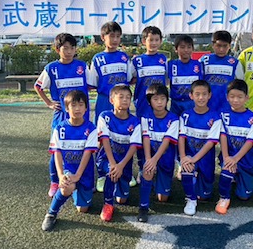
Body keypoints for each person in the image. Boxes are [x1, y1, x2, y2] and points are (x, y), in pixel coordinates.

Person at [35, 33, 89, 198]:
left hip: (81, 118)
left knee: (83, 149)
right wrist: (49, 103)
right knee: (56, 149)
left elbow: (92, 84)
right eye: (65, 48)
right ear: (57, 49)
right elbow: (38, 86)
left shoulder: (82, 66)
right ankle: (55, 181)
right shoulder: (51, 68)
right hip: (61, 117)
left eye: (72, 48)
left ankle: (82, 181)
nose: (69, 51)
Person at [41, 90, 98, 232]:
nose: (77, 108)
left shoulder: (91, 128)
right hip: (69, 170)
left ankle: (77, 190)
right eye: (73, 105)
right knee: (66, 186)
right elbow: (57, 154)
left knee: (83, 209)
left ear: (86, 108)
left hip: (84, 173)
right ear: (66, 108)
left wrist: (78, 175)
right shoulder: (60, 128)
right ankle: (51, 213)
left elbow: (87, 154)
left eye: (81, 105)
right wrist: (61, 175)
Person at [96, 84, 142, 222]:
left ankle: (118, 187)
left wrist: (121, 165)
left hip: (124, 163)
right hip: (106, 159)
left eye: (128, 97)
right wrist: (113, 164)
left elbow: (134, 147)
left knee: (122, 200)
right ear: (112, 100)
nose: (125, 100)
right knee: (111, 172)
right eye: (121, 97)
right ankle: (108, 204)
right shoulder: (105, 116)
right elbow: (104, 140)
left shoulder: (135, 121)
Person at [215, 79, 253, 215]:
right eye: (232, 96)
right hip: (228, 156)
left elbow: (250, 142)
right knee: (227, 169)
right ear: (227, 97)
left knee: (244, 196)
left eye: (240, 97)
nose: (235, 100)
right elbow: (222, 135)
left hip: (245, 159)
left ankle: (245, 177)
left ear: (247, 98)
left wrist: (236, 159)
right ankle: (224, 198)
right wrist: (227, 157)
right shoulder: (223, 114)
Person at [178, 79, 222, 216]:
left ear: (210, 95)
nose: (201, 97)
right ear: (191, 96)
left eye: (204, 94)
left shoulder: (215, 117)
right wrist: (183, 158)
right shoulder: (185, 115)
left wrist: (194, 159)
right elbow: (181, 138)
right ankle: (190, 199)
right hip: (190, 156)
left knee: (205, 196)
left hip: (205, 158)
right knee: (186, 170)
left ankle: (199, 185)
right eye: (197, 94)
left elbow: (210, 143)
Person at [139, 84, 179, 222]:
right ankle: (143, 207)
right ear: (149, 101)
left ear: (167, 100)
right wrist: (148, 159)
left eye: (163, 98)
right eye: (155, 99)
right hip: (151, 156)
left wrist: (154, 160)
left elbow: (167, 141)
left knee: (162, 198)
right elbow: (146, 138)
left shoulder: (174, 119)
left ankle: (157, 182)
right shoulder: (145, 117)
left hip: (165, 159)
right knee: (148, 170)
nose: (160, 102)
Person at [87, 21, 133, 123]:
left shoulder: (124, 57)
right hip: (104, 100)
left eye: (118, 36)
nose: (115, 40)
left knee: (123, 127)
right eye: (112, 36)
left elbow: (129, 78)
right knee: (102, 127)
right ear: (103, 37)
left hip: (122, 101)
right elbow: (93, 83)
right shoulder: (98, 59)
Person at [199, 30, 244, 113]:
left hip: (227, 107)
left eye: (225, 46)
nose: (221, 49)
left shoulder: (235, 63)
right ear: (213, 45)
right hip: (206, 106)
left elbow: (240, 85)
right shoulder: (204, 60)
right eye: (218, 45)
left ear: (229, 46)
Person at [131, 26, 168, 118]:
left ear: (161, 41)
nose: (154, 43)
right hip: (142, 102)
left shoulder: (163, 59)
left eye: (156, 40)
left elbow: (167, 79)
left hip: (160, 103)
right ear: (144, 41)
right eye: (151, 40)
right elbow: (131, 79)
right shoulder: (137, 61)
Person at [168, 35, 202, 116]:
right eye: (182, 47)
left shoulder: (199, 65)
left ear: (193, 49)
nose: (186, 50)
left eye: (189, 47)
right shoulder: (170, 65)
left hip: (192, 103)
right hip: (175, 104)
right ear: (176, 49)